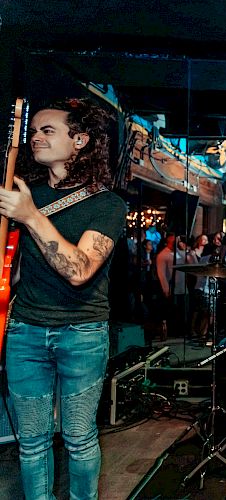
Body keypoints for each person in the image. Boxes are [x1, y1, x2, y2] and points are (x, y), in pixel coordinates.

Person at [0, 97, 127, 500]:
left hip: (81, 333)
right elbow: (14, 268)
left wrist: (31, 216)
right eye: (33, 131)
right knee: (32, 442)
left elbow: (79, 270)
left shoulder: (107, 204)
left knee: (78, 437)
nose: (36, 137)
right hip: (26, 331)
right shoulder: (26, 193)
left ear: (80, 140)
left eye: (47, 130)